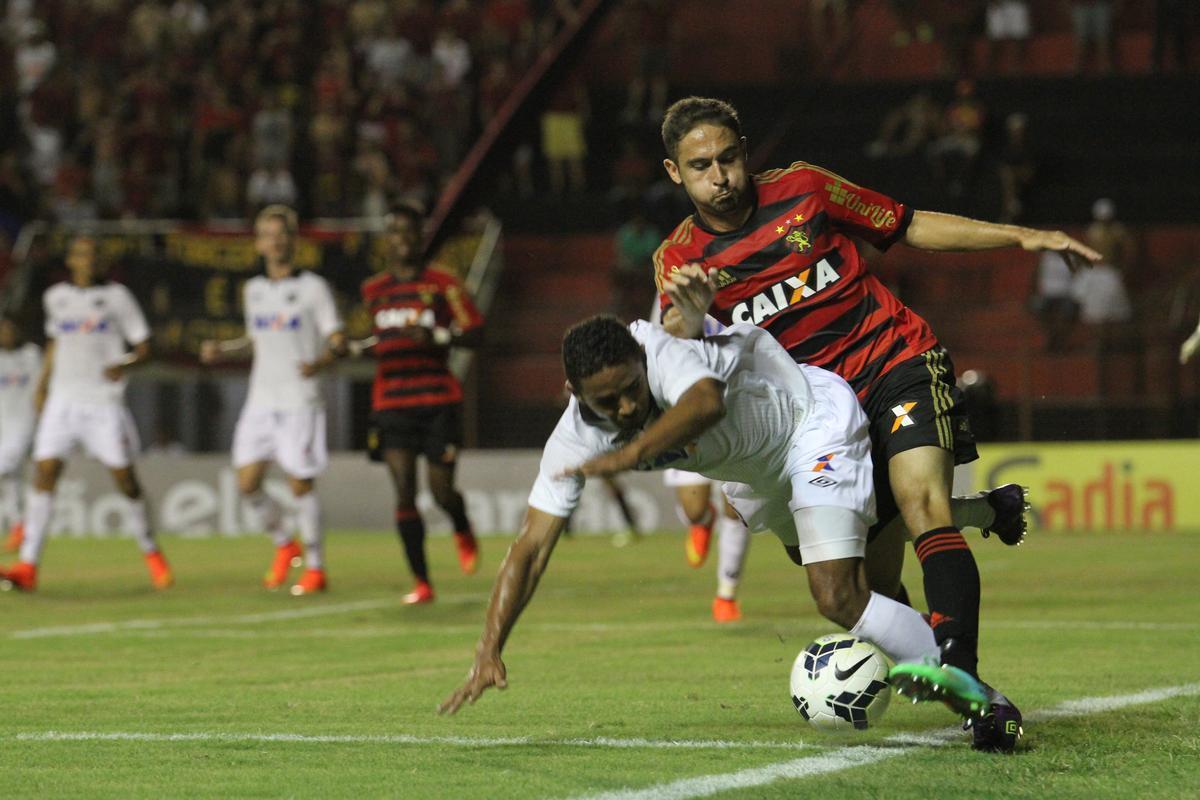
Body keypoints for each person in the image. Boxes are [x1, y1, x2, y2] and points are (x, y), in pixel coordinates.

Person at [650, 97, 1100, 751]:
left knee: (921, 504)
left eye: (728, 158)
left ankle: (971, 689)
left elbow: (908, 224)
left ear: (745, 151)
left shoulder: (805, 189)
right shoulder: (680, 259)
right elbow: (675, 335)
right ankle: (984, 517)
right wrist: (689, 316)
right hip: (818, 422)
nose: (719, 175)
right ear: (674, 173)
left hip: (896, 362)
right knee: (866, 590)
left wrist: (1022, 235)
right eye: (700, 166)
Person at [441, 316, 983, 721]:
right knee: (863, 565)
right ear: (573, 394)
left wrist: (629, 456)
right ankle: (980, 510)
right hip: (759, 475)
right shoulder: (573, 440)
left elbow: (704, 404)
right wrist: (489, 649)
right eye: (608, 402)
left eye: (632, 388)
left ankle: (981, 698)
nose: (627, 408)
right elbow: (530, 548)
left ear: (642, 360)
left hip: (810, 421)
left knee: (836, 593)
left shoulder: (662, 349)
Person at [0, 235, 173, 592]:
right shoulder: (56, 298)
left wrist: (123, 363)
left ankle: (151, 551)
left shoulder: (117, 298)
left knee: (125, 478)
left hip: (102, 401)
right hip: (63, 399)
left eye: (94, 254)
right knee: (45, 472)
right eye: (81, 254)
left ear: (102, 260)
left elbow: (145, 347)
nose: (88, 260)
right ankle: (28, 564)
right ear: (72, 261)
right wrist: (43, 385)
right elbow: (55, 343)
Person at [200, 205, 345, 596]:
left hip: (300, 400)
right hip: (261, 400)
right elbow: (255, 339)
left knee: (300, 484)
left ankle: (315, 568)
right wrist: (224, 350)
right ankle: (285, 543)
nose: (275, 241)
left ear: (294, 241)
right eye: (267, 234)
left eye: (282, 234)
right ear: (259, 243)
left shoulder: (314, 288)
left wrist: (323, 361)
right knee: (247, 483)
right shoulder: (254, 291)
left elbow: (336, 338)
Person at [354, 204, 484, 605]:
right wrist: (347, 345)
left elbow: (475, 332)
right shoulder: (373, 291)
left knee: (441, 491)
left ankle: (460, 524)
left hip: (437, 399)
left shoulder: (443, 284)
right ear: (387, 240)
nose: (402, 239)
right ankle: (422, 581)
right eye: (394, 232)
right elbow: (363, 339)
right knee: (404, 491)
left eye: (409, 231)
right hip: (391, 402)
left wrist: (439, 338)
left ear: (419, 236)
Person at [0, 315, 40, 552]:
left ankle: (20, 527)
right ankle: (18, 527)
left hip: (24, 426)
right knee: (10, 479)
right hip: (2, 427)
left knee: (3, 468)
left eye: (9, 329)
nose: (6, 334)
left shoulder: (32, 356)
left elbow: (43, 386)